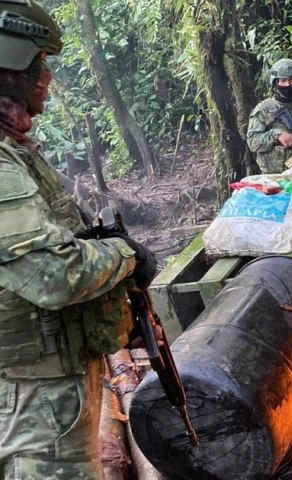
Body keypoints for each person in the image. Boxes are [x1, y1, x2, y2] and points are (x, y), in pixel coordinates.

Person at [0, 1, 157, 478]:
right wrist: (126, 255)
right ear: (9, 68)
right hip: (36, 395)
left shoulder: (16, 151)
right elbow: (54, 274)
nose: (46, 76)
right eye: (39, 62)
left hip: (39, 383)